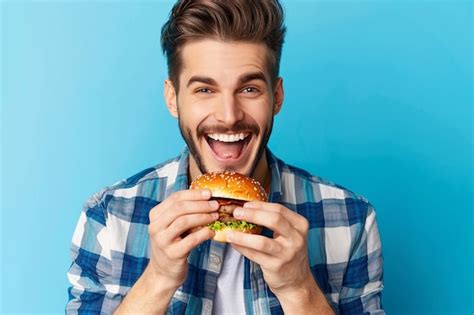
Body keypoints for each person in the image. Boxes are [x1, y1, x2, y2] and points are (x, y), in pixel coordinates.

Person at [66, 0, 384, 314]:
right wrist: (158, 280)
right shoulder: (109, 216)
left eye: (249, 89)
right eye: (205, 90)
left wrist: (298, 290)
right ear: (173, 98)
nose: (229, 116)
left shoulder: (350, 218)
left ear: (277, 97)